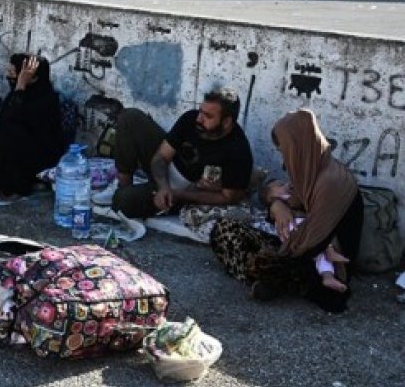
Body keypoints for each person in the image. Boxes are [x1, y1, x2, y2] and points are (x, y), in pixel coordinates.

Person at [210, 109, 363, 313]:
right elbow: (275, 193)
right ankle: (269, 279)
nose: (284, 161)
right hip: (297, 243)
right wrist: (277, 205)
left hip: (322, 259)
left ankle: (271, 279)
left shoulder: (331, 182)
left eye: (284, 151)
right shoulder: (309, 169)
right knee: (224, 229)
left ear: (297, 148)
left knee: (264, 261)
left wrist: (275, 244)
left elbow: (311, 244)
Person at [110, 88, 254, 218]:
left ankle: (130, 194)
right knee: (130, 117)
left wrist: (177, 194)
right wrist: (163, 186)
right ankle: (124, 184)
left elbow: (227, 197)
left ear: (227, 122)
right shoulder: (190, 119)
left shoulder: (238, 150)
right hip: (165, 175)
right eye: (200, 112)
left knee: (122, 202)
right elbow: (162, 156)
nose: (199, 119)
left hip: (187, 194)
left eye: (208, 116)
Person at [0, 54, 63, 198]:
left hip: (36, 154)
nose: (11, 78)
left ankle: (12, 186)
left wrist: (20, 86)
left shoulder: (47, 100)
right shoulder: (15, 95)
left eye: (17, 75)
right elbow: (0, 125)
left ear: (33, 77)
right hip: (10, 154)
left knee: (13, 132)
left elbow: (16, 120)